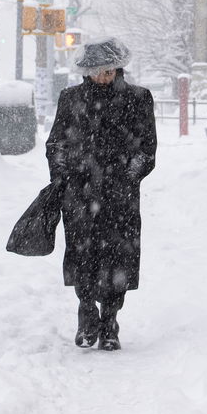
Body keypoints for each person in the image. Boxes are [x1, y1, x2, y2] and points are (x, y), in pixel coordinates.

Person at [45, 38, 157, 350]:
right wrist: (62, 176)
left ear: (118, 68)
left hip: (120, 195)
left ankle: (110, 321)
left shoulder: (138, 98)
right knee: (83, 254)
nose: (103, 77)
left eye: (108, 71)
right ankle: (86, 313)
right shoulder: (70, 99)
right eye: (96, 71)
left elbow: (147, 148)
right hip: (79, 193)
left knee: (119, 257)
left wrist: (128, 177)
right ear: (85, 72)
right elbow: (57, 144)